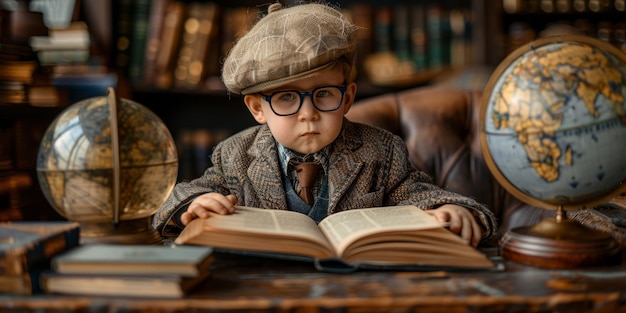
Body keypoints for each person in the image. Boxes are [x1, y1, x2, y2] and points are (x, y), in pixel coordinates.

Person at [152, 2, 497, 247]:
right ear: (258, 108)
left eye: (324, 95)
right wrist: (194, 204)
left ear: (347, 99)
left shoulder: (382, 151)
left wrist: (452, 209)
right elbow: (182, 195)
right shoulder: (235, 155)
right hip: (265, 283)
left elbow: (422, 195)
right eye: (286, 98)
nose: (308, 113)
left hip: (357, 285)